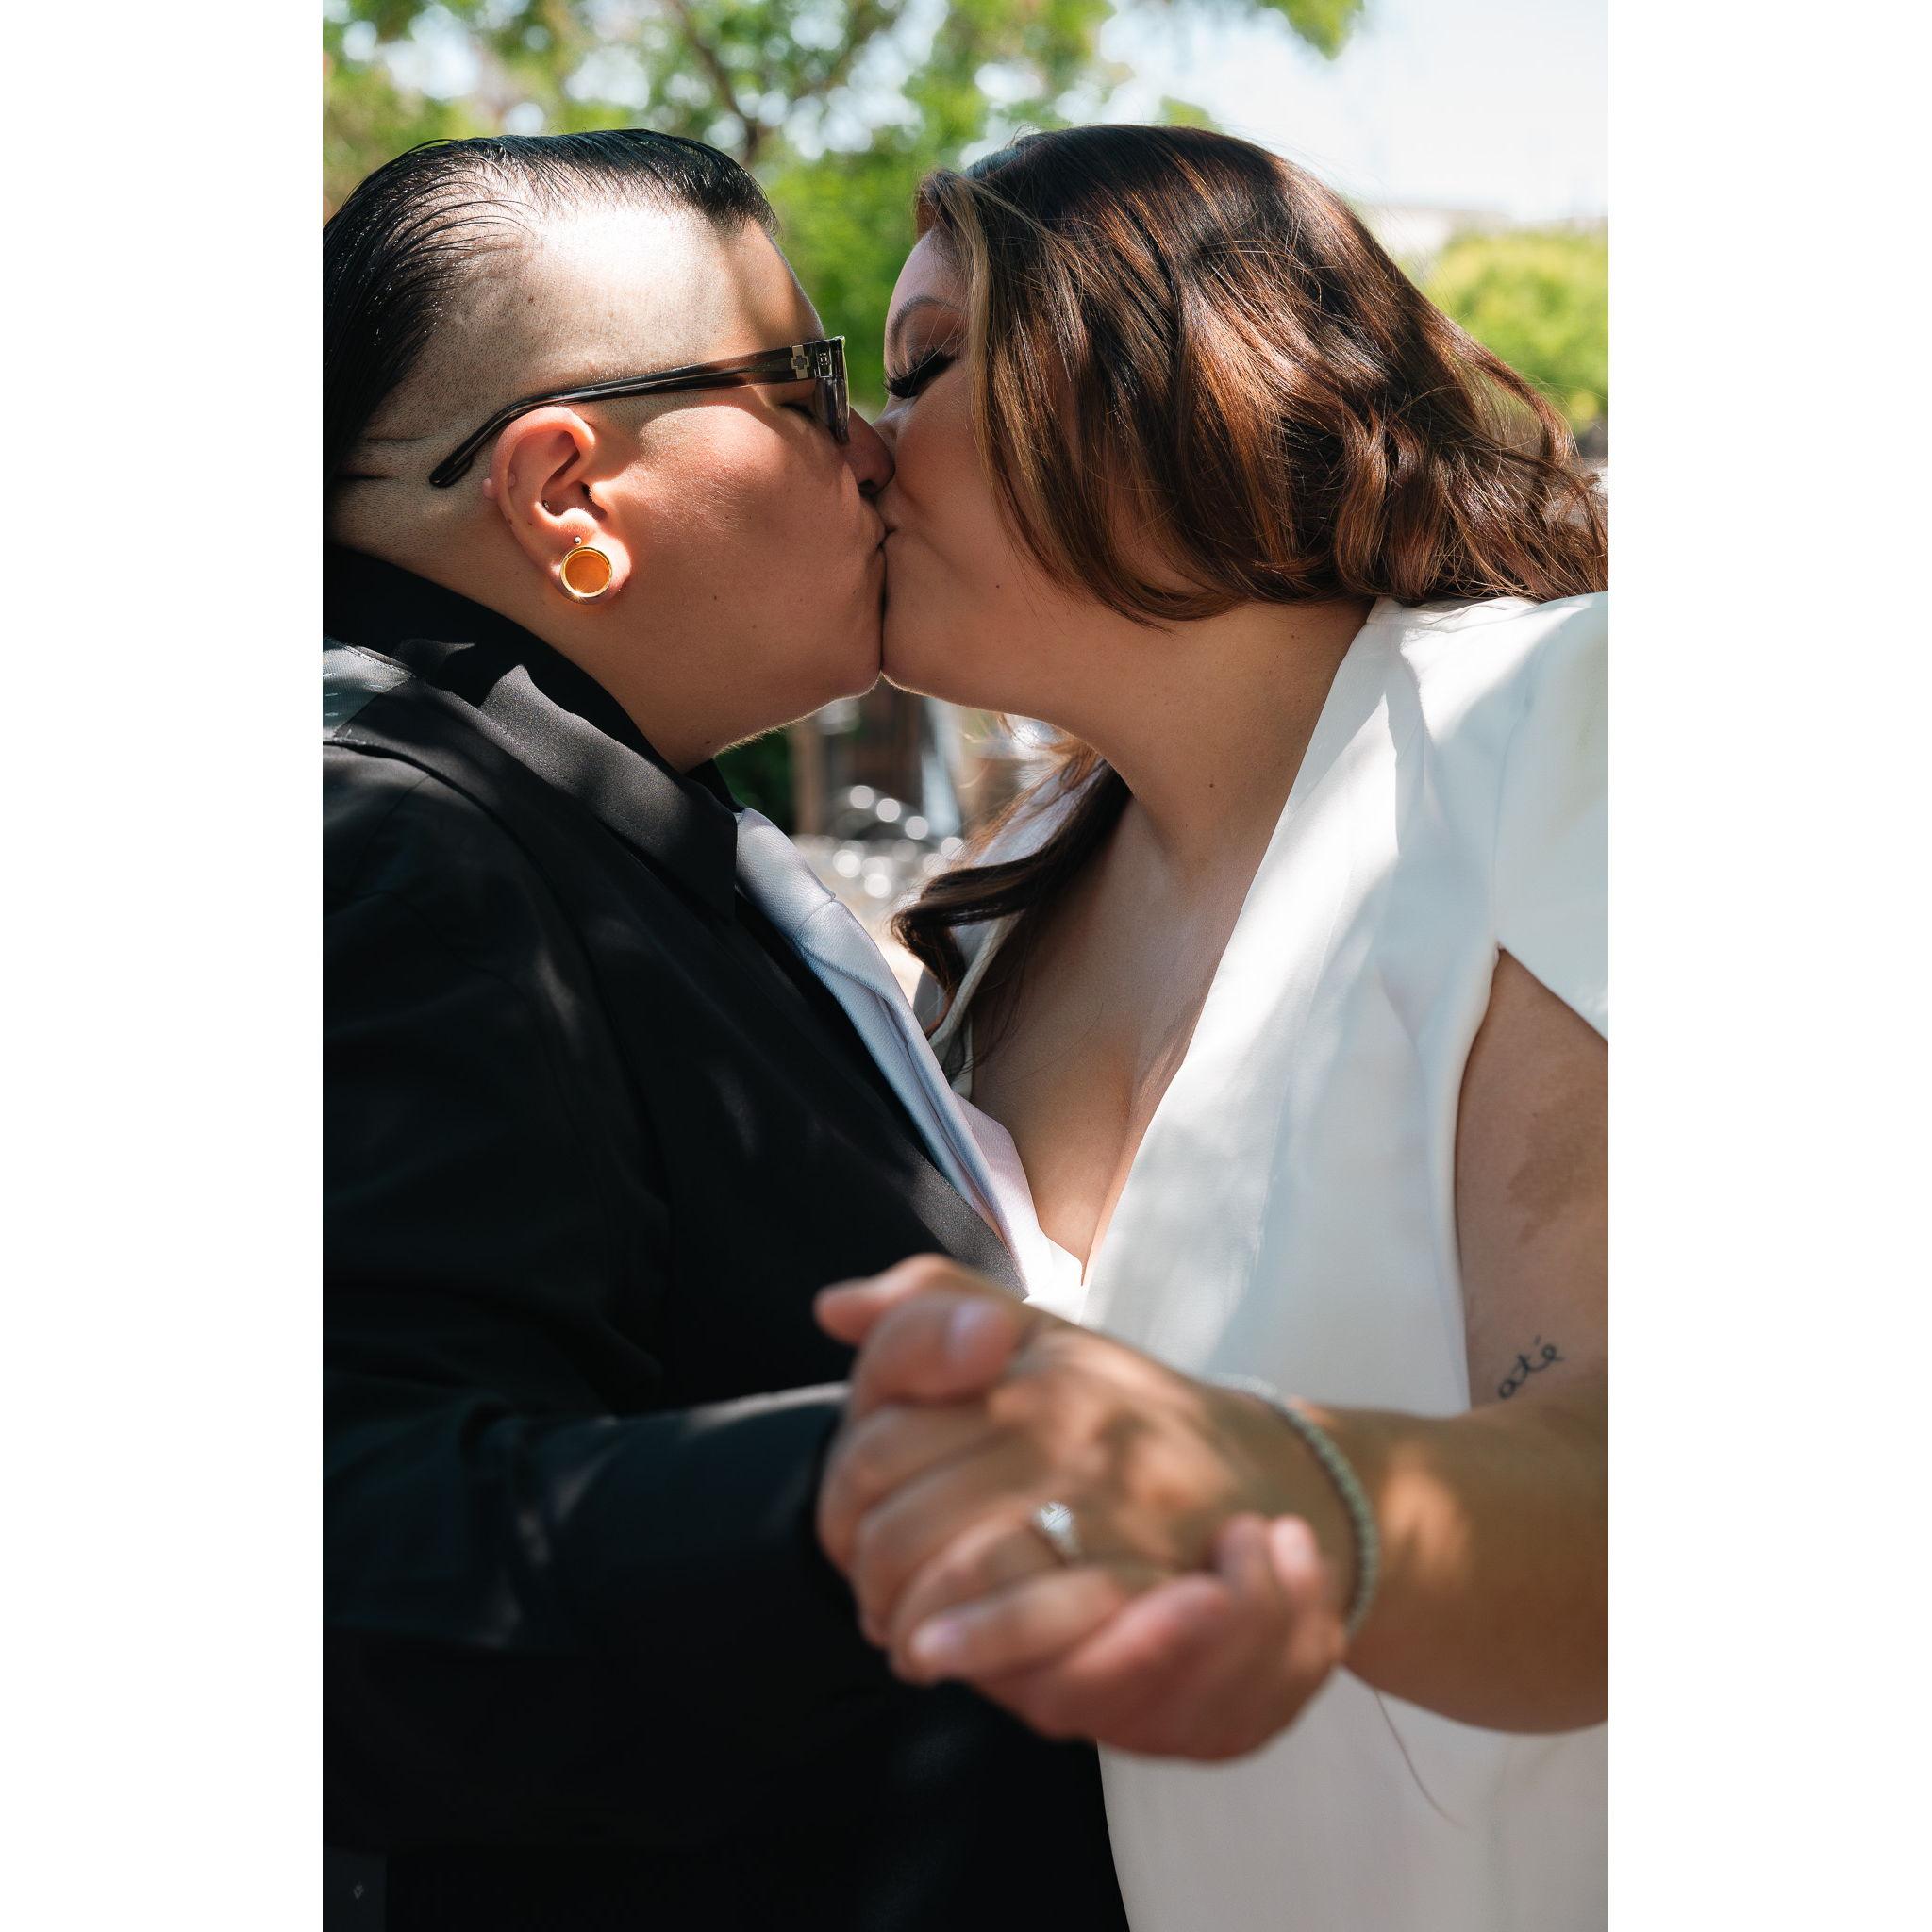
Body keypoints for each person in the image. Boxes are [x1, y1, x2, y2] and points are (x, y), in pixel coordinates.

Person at [322, 130, 1132, 1931]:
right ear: (568, 492)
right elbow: (354, 1558)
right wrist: (911, 1491)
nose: (875, 448)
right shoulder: (388, 846)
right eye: (807, 385)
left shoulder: (561, 814)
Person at [809, 125, 1608, 1932]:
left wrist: (1280, 1495)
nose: (862, 443)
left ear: (1162, 371)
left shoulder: (1559, 717)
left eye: (924, 365)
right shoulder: (1003, 903)